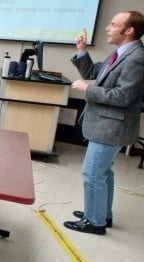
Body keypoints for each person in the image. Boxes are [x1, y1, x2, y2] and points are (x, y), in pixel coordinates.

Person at [64, 11, 144, 235]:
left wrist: (88, 89)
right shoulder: (122, 53)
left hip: (112, 126)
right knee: (104, 172)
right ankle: (101, 214)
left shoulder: (137, 58)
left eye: (112, 24)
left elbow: (123, 96)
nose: (107, 28)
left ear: (129, 30)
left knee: (93, 173)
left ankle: (94, 222)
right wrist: (81, 51)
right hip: (107, 125)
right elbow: (94, 71)